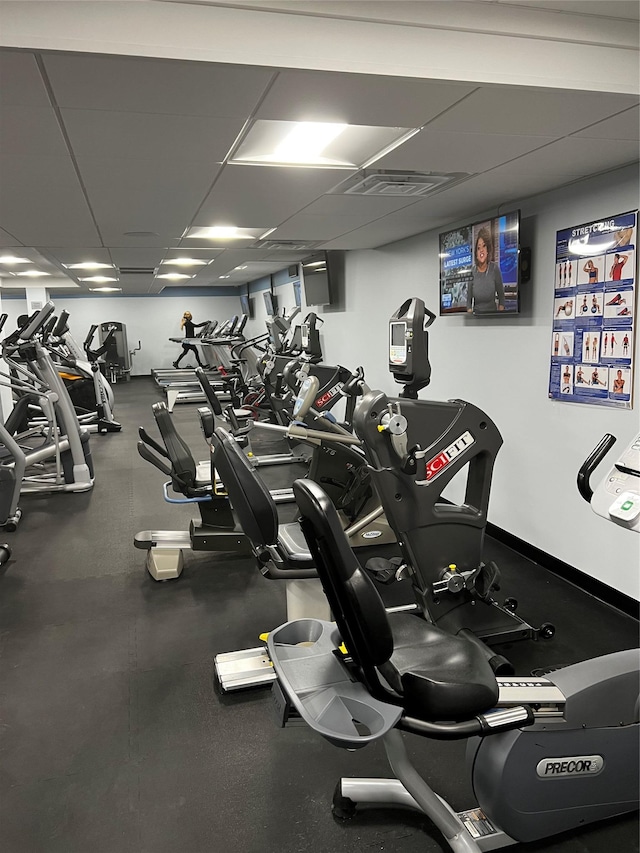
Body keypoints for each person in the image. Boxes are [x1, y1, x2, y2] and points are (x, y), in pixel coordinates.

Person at [467, 227, 505, 313]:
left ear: (488, 250)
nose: (481, 250)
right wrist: (470, 318)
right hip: (476, 317)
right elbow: (468, 301)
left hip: (493, 316)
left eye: (484, 246)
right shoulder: (472, 272)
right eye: (478, 248)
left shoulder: (494, 269)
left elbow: (501, 298)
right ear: (476, 253)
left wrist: (500, 317)